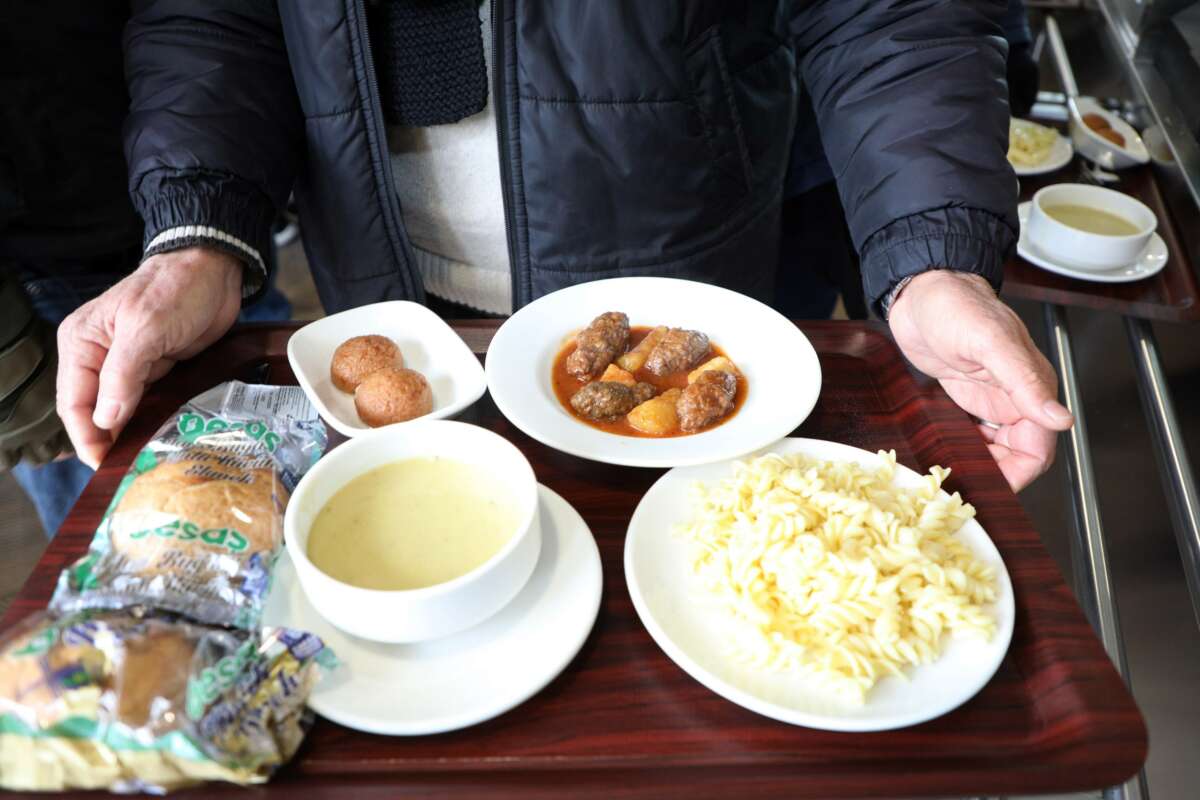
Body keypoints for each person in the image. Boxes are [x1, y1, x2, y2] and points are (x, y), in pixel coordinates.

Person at [57, 0, 1072, 492]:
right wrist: (194, 233)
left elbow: (889, 12)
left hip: (690, 268)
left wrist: (934, 254)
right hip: (394, 291)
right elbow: (211, 17)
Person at [0, 3, 293, 537]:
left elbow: (199, 16)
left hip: (213, 214)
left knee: (289, 490)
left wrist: (200, 228)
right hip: (37, 299)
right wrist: (13, 380)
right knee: (127, 539)